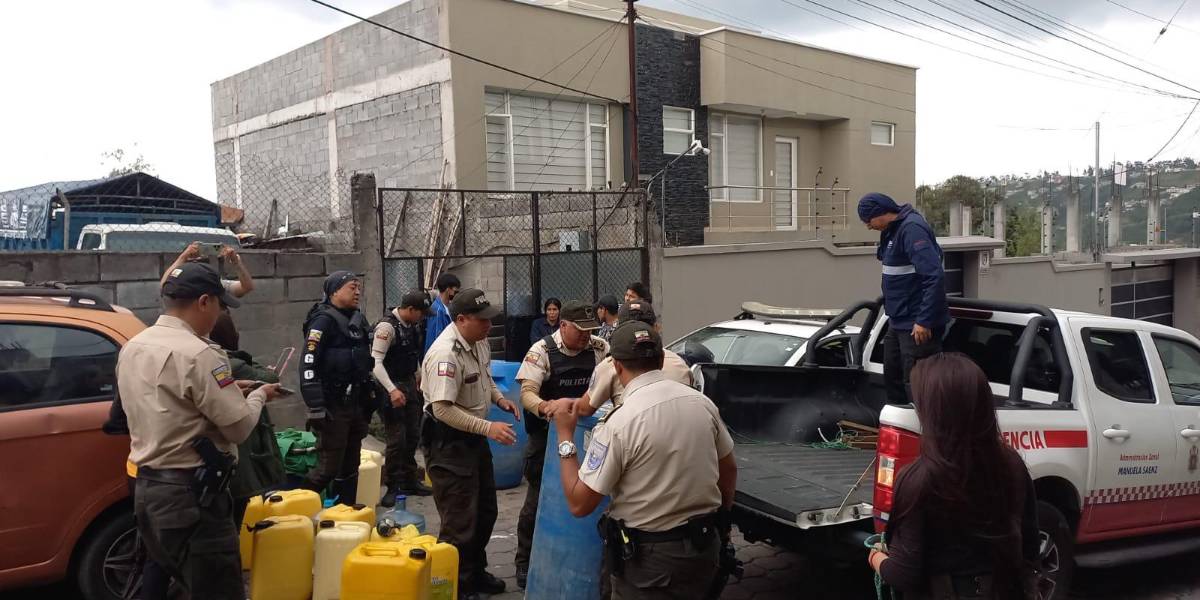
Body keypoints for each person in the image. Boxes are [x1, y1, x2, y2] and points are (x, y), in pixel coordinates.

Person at [118, 262, 281, 599]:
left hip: (148, 489)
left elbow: (170, 398)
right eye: (220, 305)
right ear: (204, 301)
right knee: (214, 589)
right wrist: (258, 396)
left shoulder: (134, 346)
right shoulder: (201, 354)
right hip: (193, 496)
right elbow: (238, 429)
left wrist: (233, 386)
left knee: (174, 584)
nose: (220, 314)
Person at [555, 322, 738, 599]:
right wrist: (721, 522)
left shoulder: (619, 423)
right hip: (703, 548)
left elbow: (579, 503)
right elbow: (729, 468)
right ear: (662, 360)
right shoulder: (702, 404)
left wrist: (565, 437)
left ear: (616, 366)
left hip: (649, 561)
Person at [868, 353, 1038, 599]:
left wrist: (876, 557)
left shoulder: (919, 480)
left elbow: (903, 573)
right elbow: (1030, 546)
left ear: (933, 412)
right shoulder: (1011, 463)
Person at [420, 288, 522, 600]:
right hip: (448, 443)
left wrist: (500, 399)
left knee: (485, 511)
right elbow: (443, 409)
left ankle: (475, 573)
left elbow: (486, 377)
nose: (489, 326)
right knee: (459, 520)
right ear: (462, 319)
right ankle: (455, 586)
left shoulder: (477, 343)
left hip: (473, 441)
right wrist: (488, 426)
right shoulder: (445, 354)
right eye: (483, 321)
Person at [514, 300, 609, 588]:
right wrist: (547, 408)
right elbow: (526, 393)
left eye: (591, 330)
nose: (586, 337)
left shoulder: (599, 348)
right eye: (580, 330)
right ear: (563, 325)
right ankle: (525, 561)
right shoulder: (542, 350)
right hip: (547, 436)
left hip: (590, 435)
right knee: (536, 501)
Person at [857, 192, 950, 405]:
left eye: (868, 220)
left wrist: (924, 320)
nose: (868, 226)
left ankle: (925, 430)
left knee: (918, 383)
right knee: (893, 375)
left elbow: (933, 276)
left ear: (880, 213)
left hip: (916, 322)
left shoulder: (911, 229)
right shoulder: (892, 231)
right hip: (898, 319)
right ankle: (899, 424)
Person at [299, 271, 374, 504]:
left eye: (359, 287)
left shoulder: (357, 319)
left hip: (355, 403)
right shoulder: (323, 320)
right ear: (334, 292)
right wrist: (316, 405)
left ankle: (346, 512)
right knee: (328, 468)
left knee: (351, 465)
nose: (358, 292)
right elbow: (308, 363)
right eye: (352, 287)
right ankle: (294, 510)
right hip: (333, 406)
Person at [574, 300, 692, 418]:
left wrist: (561, 405)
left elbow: (584, 410)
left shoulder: (610, 365)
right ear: (656, 328)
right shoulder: (679, 363)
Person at [373, 290, 436, 507]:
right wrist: (392, 390)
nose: (423, 317)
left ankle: (410, 480)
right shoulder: (387, 328)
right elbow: (376, 363)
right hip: (391, 385)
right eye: (421, 313)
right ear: (410, 310)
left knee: (412, 435)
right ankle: (392, 485)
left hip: (409, 383)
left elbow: (411, 354)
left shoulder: (411, 326)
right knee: (396, 438)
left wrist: (418, 375)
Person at [162, 243, 255, 352]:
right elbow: (165, 284)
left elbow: (246, 287)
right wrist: (183, 257)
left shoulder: (214, 284)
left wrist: (236, 263)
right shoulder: (179, 289)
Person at [425, 273, 461, 353]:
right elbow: (435, 339)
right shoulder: (437, 311)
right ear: (448, 290)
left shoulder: (447, 308)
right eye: (455, 291)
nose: (456, 294)